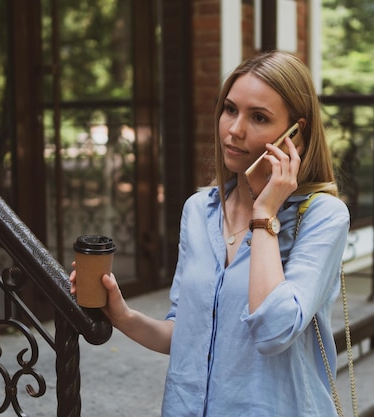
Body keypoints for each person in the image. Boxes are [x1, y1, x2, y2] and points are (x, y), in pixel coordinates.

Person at [70, 50, 350, 416]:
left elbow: (273, 330)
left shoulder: (324, 217)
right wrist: (123, 315)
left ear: (295, 137)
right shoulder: (198, 211)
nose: (234, 129)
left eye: (259, 117)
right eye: (230, 109)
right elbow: (185, 336)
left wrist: (264, 213)